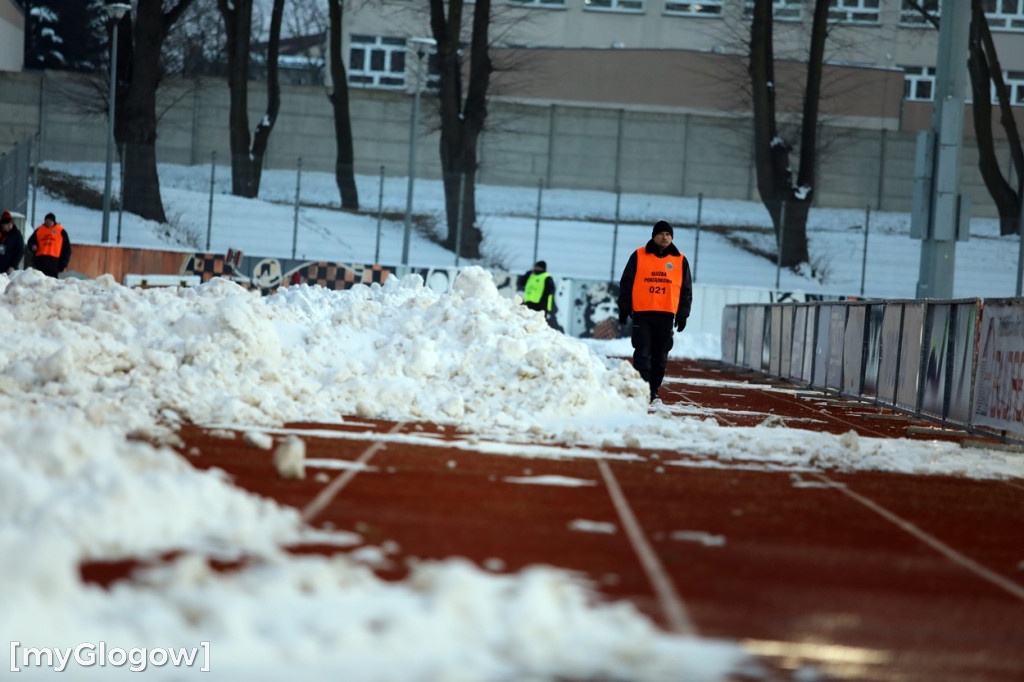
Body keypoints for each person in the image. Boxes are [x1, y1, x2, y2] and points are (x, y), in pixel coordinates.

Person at [618, 220, 693, 403]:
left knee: (660, 356)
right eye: (661, 234)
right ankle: (643, 388)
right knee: (642, 351)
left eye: (668, 234)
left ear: (672, 237)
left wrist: (682, 314)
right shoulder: (638, 255)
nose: (664, 237)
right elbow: (626, 283)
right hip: (642, 313)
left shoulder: (680, 260)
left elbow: (686, 290)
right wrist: (624, 307)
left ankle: (653, 389)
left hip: (666, 314)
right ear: (653, 236)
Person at [27, 212, 71, 278]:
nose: (48, 222)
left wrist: (63, 265)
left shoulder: (61, 231)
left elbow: (66, 249)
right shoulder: (39, 230)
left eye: (50, 220)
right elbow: (31, 241)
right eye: (46, 220)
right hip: (40, 262)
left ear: (53, 221)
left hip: (54, 264)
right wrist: (32, 246)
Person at [521, 260, 557, 328]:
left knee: (539, 326)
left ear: (542, 268)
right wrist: (528, 273)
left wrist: (542, 303)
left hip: (540, 306)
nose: (535, 268)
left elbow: (549, 291)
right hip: (529, 304)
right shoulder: (532, 277)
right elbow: (522, 282)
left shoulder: (547, 277)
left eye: (537, 267)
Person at [0, 210, 24, 275]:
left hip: (9, 270)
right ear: (2, 224)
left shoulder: (16, 235)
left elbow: (20, 251)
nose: (10, 227)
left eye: (11, 224)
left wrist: (13, 266)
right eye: (7, 224)